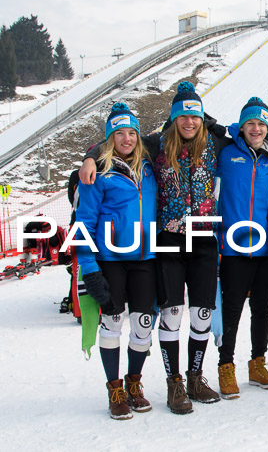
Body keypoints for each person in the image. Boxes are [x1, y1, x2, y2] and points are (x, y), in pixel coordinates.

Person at [80, 81, 230, 413]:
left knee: (201, 315)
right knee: (171, 314)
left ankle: (194, 376)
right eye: (183, 116)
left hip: (203, 237)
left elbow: (253, 135)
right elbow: (119, 141)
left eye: (195, 117)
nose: (189, 123)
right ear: (174, 119)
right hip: (168, 239)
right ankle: (173, 382)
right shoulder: (154, 145)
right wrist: (90, 157)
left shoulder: (216, 142)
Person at [75, 102, 157, 420]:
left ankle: (134, 383)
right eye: (119, 134)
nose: (126, 139)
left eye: (131, 133)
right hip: (110, 258)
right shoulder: (98, 173)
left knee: (143, 325)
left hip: (145, 258)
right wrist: (90, 269)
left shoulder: (148, 168)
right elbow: (83, 224)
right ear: (110, 139)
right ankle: (115, 388)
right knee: (112, 323)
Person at [215, 97, 268, 398]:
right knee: (231, 309)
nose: (256, 129)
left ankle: (257, 363)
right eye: (251, 123)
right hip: (233, 247)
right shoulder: (225, 153)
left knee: (262, 309)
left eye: (261, 124)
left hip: (266, 247)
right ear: (241, 127)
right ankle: (225, 366)